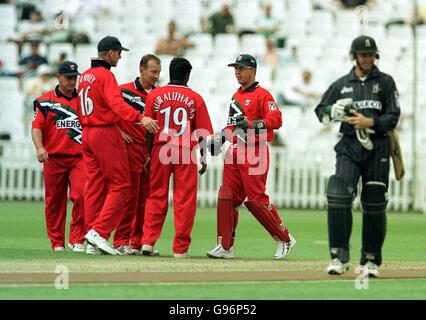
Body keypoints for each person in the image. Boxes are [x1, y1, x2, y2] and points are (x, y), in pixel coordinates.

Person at [314, 35, 401, 277]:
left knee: (374, 202)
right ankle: (338, 257)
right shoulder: (342, 84)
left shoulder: (385, 83)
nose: (368, 59)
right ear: (355, 56)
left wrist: (370, 121)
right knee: (339, 196)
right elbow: (320, 111)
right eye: (363, 55)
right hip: (349, 146)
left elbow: (393, 116)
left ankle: (370, 260)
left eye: (371, 55)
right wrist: (335, 111)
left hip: (378, 147)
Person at [206, 54, 296, 260]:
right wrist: (219, 138)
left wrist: (251, 124)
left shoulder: (263, 95)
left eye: (241, 68)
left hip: (255, 149)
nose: (237, 72)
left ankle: (284, 238)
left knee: (256, 199)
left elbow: (276, 119)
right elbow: (232, 126)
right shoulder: (235, 96)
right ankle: (225, 246)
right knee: (226, 196)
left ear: (252, 71)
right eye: (235, 68)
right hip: (235, 149)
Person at [77, 36, 159, 256]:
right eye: (118, 53)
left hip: (87, 132)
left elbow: (79, 105)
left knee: (95, 187)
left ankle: (91, 241)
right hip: (104, 131)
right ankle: (99, 233)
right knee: (122, 186)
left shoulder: (84, 76)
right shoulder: (106, 75)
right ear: (110, 53)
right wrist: (140, 118)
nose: (121, 57)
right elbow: (116, 104)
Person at [141, 57, 213, 258]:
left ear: (169, 73)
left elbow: (148, 128)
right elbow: (203, 132)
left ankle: (147, 241)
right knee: (184, 200)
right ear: (187, 75)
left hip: (160, 148)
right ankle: (180, 249)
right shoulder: (196, 98)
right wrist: (204, 157)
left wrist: (148, 153)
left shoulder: (154, 95)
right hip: (184, 151)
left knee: (156, 195)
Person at [31, 61, 86, 252]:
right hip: (53, 158)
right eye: (69, 78)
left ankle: (77, 239)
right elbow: (37, 127)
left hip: (79, 157)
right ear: (59, 78)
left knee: (81, 196)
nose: (72, 82)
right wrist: (39, 148)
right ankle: (57, 243)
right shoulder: (45, 101)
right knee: (54, 202)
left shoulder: (83, 100)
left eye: (74, 78)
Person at [113, 54, 161, 255]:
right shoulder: (123, 90)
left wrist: (152, 152)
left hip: (149, 151)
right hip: (129, 149)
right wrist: (118, 132)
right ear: (141, 70)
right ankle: (121, 241)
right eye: (153, 72)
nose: (156, 76)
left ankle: (137, 242)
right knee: (129, 196)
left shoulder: (159, 96)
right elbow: (107, 111)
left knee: (145, 199)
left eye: (158, 72)